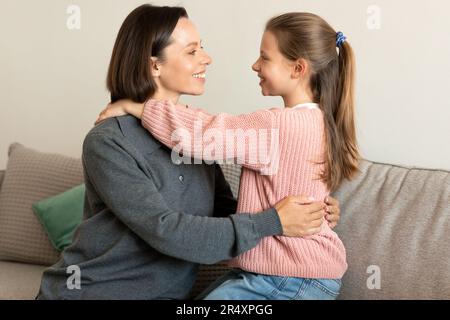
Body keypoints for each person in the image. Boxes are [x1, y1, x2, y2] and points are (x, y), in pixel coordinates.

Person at [37, 5, 341, 300]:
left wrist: (308, 214)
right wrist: (272, 222)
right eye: (192, 51)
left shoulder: (191, 140)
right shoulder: (109, 140)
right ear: (154, 64)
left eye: (202, 48)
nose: (207, 59)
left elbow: (225, 209)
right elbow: (166, 230)